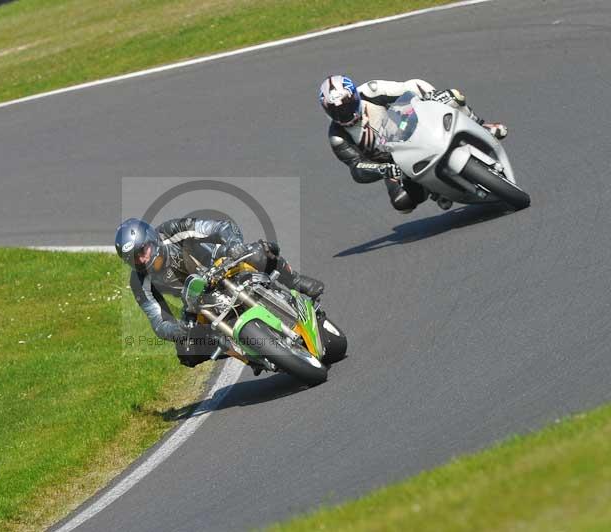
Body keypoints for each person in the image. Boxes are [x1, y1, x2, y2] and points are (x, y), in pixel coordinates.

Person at [114, 217, 324, 368]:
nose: (141, 260)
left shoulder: (172, 231)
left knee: (261, 252)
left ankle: (295, 281)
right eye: (133, 258)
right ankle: (247, 353)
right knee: (187, 352)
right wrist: (180, 330)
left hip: (221, 266)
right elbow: (159, 322)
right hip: (198, 302)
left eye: (142, 251)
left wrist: (233, 245)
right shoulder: (140, 282)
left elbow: (219, 227)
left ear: (152, 241)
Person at [319, 75, 509, 213]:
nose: (344, 114)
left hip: (409, 127)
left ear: (355, 97)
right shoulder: (337, 136)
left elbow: (409, 87)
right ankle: (433, 189)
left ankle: (480, 124)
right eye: (337, 111)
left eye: (346, 106)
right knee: (402, 203)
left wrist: (432, 96)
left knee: (454, 96)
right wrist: (383, 170)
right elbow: (356, 168)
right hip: (393, 163)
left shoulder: (371, 90)